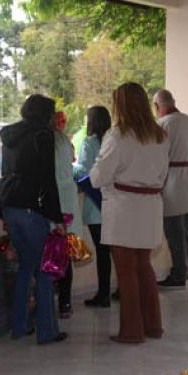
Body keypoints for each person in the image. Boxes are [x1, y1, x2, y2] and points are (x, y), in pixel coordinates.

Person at [90, 82, 170, 343]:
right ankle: (152, 326)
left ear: (120, 105)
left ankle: (132, 331)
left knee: (125, 269)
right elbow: (162, 174)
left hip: (124, 207)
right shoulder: (159, 135)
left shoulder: (117, 135)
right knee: (143, 265)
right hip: (150, 206)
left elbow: (100, 176)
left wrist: (93, 172)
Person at [0, 94, 67, 345]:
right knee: (44, 271)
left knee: (25, 269)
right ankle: (47, 331)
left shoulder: (8, 135)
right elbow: (47, 180)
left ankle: (19, 325)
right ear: (45, 114)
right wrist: (57, 217)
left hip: (11, 207)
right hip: (32, 210)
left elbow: (5, 174)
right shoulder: (43, 135)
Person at [154, 89, 188, 288]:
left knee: (174, 232)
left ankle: (179, 273)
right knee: (187, 230)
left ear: (157, 106)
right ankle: (184, 269)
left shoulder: (162, 125)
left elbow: (158, 156)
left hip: (173, 183)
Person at [73, 106, 112, 308]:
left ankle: (103, 293)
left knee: (102, 252)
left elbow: (83, 170)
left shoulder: (89, 142)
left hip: (96, 206)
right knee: (116, 252)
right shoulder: (113, 139)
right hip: (113, 204)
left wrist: (68, 168)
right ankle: (121, 289)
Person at [53, 112, 81, 319]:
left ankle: (52, 302)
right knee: (65, 254)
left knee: (50, 253)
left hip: (53, 201)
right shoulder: (63, 141)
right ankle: (65, 302)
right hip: (67, 199)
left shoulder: (47, 139)